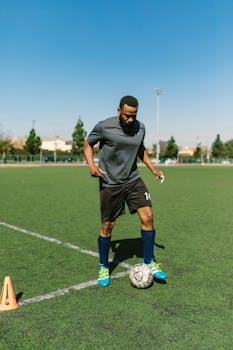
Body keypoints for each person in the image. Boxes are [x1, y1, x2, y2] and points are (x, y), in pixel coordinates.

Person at [84, 95, 167, 287]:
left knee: (148, 217)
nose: (131, 119)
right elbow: (88, 143)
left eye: (134, 115)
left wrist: (153, 168)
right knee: (108, 226)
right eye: (127, 115)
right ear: (119, 111)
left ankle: (149, 261)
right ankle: (104, 265)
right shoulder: (105, 126)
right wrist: (90, 164)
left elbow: (141, 150)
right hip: (110, 182)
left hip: (133, 179)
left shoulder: (141, 127)